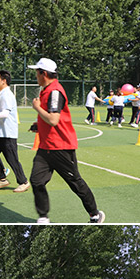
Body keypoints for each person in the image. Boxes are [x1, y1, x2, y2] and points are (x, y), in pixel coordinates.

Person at [28, 58, 104, 225]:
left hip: (61, 147)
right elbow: (51, 119)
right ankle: (43, 217)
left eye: (37, 72)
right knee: (36, 180)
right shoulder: (46, 90)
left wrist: (37, 107)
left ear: (44, 73)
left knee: (75, 182)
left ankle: (95, 214)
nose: (35, 76)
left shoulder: (55, 91)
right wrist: (39, 126)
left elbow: (53, 120)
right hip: (45, 147)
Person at [0, 71, 29, 191]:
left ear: (4, 81)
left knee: (12, 160)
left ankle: (23, 182)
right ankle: (2, 179)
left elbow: (4, 113)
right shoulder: (1, 94)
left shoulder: (7, 95)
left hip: (8, 134)